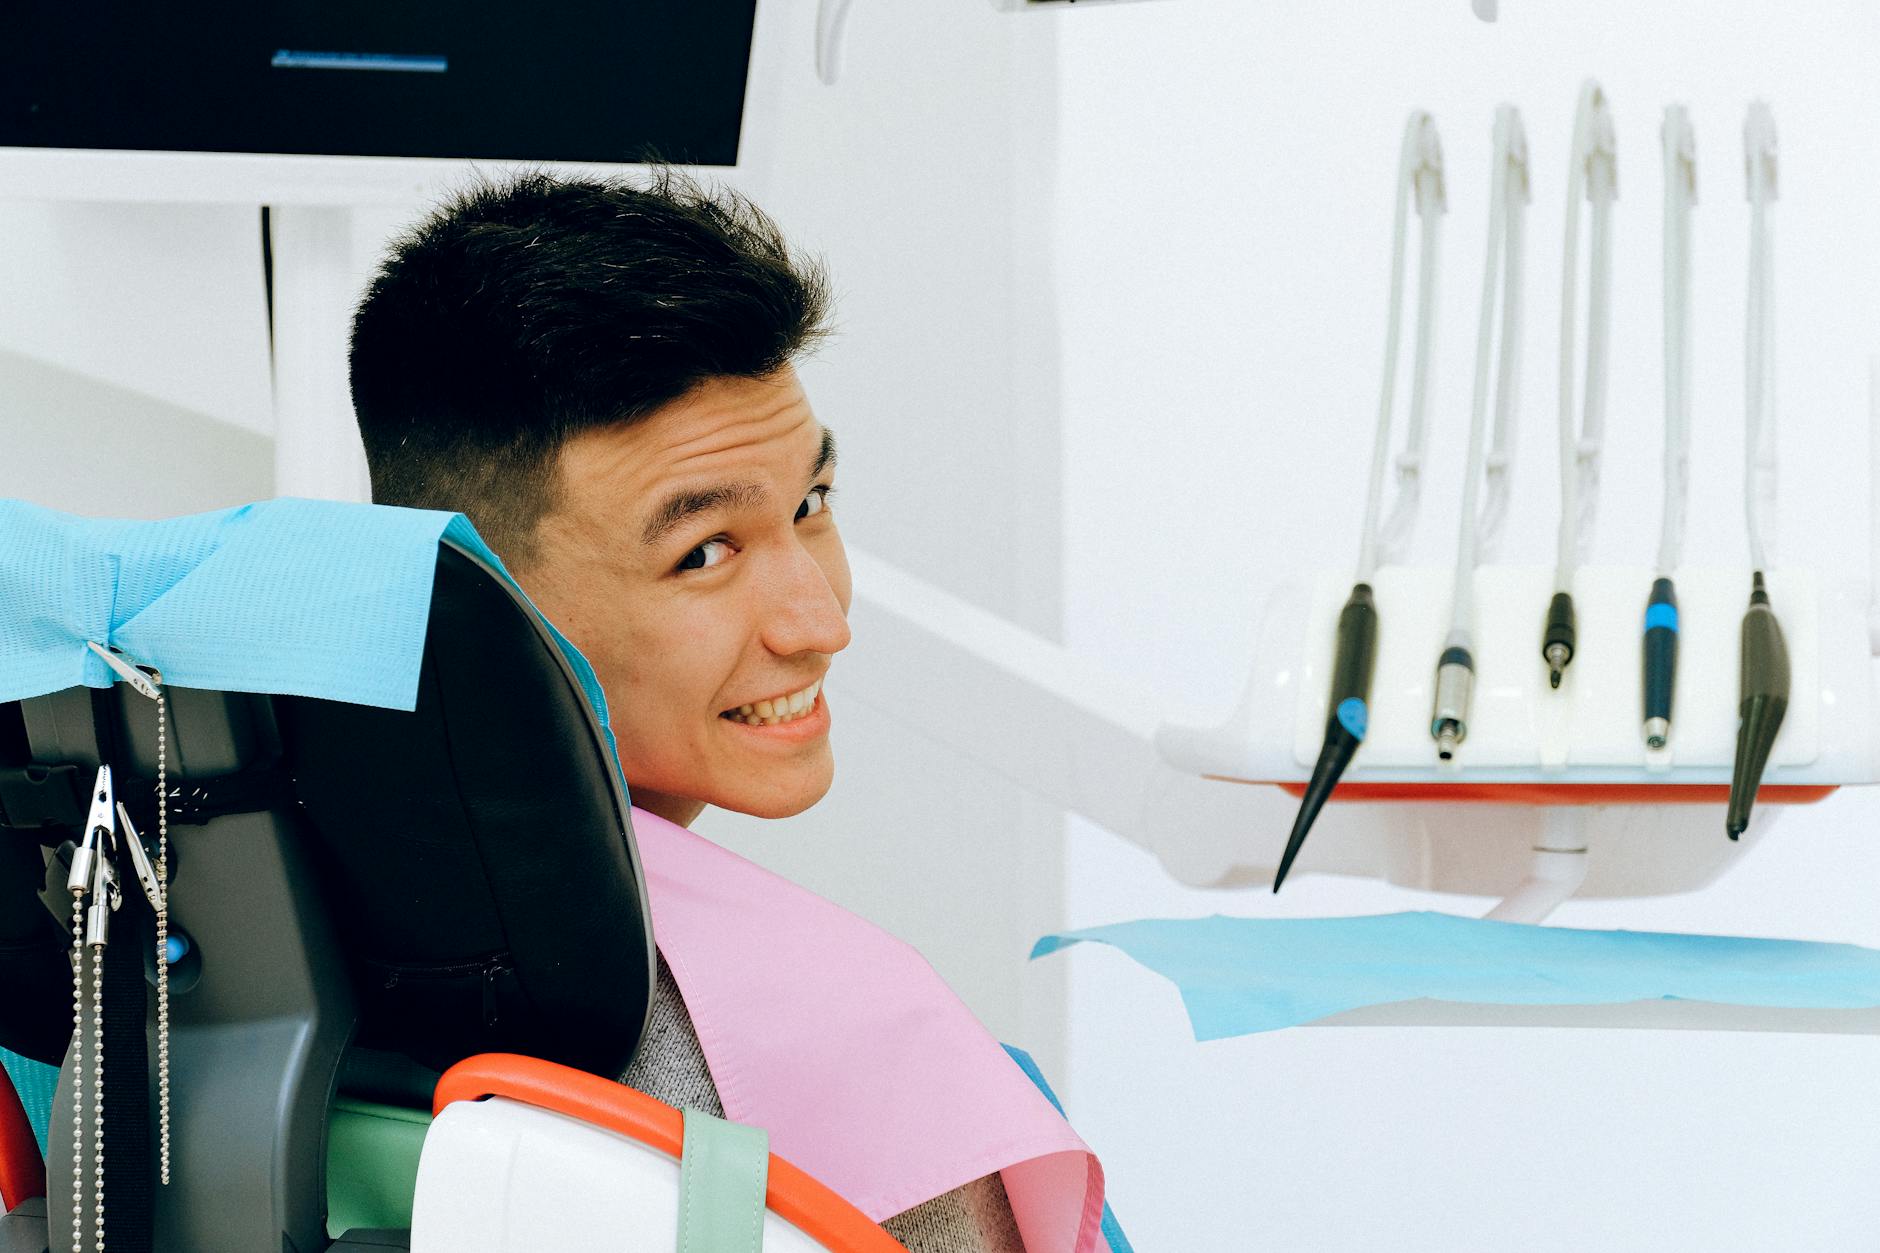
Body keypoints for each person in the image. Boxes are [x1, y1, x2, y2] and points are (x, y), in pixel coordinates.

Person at [349, 170, 1030, 1252]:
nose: (819, 622)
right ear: (487, 610)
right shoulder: (844, 1046)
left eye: (810, 503)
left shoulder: (229, 943)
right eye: (704, 552)